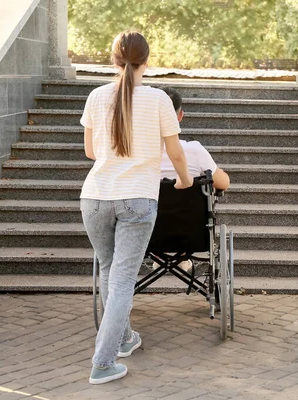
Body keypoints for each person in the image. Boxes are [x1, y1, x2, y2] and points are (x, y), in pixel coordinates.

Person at [80, 31, 194, 385]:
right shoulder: (159, 100)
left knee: (111, 270)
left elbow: (91, 152)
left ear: (113, 59)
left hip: (95, 196)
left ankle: (124, 338)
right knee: (124, 279)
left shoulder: (97, 96)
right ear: (148, 60)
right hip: (137, 199)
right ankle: (103, 362)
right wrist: (185, 180)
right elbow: (175, 152)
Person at [159, 87, 230, 190]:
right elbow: (224, 184)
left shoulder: (136, 150)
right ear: (180, 116)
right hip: (188, 205)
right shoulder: (195, 150)